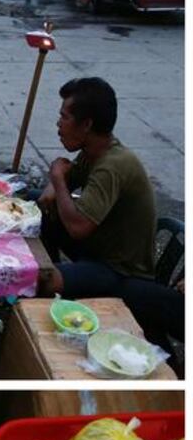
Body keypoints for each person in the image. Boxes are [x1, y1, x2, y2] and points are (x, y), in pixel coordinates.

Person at [39, 77, 156, 297]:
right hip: (97, 247)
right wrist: (56, 186)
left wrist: (57, 179)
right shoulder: (93, 151)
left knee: (45, 282)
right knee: (37, 209)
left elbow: (78, 227)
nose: (58, 124)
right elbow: (48, 198)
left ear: (86, 125)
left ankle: (55, 287)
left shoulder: (112, 165)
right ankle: (56, 270)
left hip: (120, 270)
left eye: (64, 117)